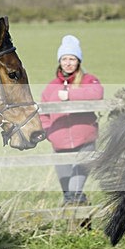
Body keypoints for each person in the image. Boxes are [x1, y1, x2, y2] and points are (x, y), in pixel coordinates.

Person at [39, 35, 103, 205]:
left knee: (75, 190)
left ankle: (79, 217)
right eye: (65, 58)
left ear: (79, 61)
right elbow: (42, 112)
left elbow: (96, 94)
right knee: (68, 192)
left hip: (85, 141)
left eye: (72, 59)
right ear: (59, 61)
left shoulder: (89, 80)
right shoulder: (51, 86)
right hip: (60, 144)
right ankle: (80, 220)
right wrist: (48, 132)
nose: (68, 63)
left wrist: (69, 95)